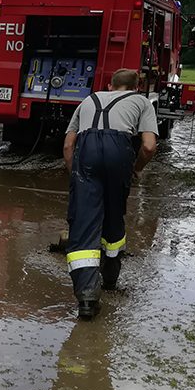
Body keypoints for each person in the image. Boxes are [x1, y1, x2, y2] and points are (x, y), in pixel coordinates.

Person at [63, 68, 158, 319]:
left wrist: (77, 176)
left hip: (87, 153)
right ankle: (110, 279)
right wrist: (136, 169)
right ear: (136, 86)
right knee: (114, 213)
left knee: (84, 222)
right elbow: (149, 146)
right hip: (119, 152)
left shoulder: (88, 99)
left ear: (109, 85)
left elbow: (68, 145)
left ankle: (86, 297)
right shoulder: (142, 102)